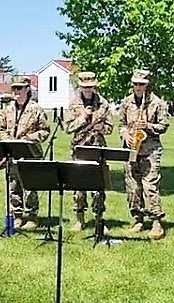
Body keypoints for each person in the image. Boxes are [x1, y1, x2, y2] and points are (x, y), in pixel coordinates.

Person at [120, 69, 170, 240]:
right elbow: (121, 124)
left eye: (141, 84)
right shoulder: (126, 102)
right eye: (135, 84)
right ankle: (138, 219)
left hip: (150, 151)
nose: (138, 87)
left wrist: (148, 125)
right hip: (131, 149)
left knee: (149, 186)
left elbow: (164, 126)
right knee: (133, 186)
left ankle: (156, 222)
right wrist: (125, 133)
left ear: (147, 84)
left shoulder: (157, 103)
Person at [0, 75, 50, 230]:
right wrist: (8, 141)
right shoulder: (7, 109)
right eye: (14, 88)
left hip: (30, 153)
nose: (16, 91)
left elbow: (45, 130)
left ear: (27, 89)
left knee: (30, 187)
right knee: (14, 186)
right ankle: (17, 216)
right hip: (12, 153)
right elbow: (0, 129)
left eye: (19, 88)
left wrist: (29, 138)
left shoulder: (36, 109)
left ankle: (32, 217)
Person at [63, 71, 112, 231]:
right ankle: (79, 219)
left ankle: (99, 218)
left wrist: (101, 128)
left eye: (90, 87)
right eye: (85, 87)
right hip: (79, 150)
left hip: (97, 149)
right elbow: (68, 128)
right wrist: (83, 117)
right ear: (80, 86)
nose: (88, 89)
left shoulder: (103, 103)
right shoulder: (74, 104)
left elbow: (110, 128)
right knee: (79, 187)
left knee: (98, 188)